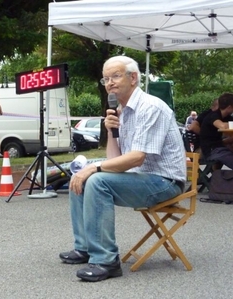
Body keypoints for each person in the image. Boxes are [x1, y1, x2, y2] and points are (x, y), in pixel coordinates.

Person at [59, 56, 186, 282]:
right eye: (106, 79)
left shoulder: (151, 107)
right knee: (81, 177)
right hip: (140, 177)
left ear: (133, 78)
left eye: (116, 76)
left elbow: (136, 159)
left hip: (165, 182)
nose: (109, 83)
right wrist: (110, 132)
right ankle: (85, 248)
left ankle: (106, 261)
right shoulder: (122, 111)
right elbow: (115, 160)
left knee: (96, 179)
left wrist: (93, 168)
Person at [199, 93, 233, 169]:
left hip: (219, 148)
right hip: (211, 150)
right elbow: (222, 126)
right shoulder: (213, 116)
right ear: (230, 107)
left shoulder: (226, 117)